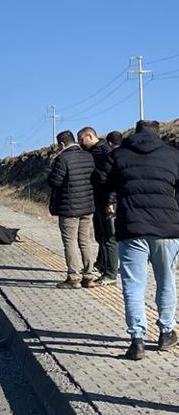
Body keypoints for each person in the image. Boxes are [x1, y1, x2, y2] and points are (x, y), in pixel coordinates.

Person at [100, 120, 179, 360]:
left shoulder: (119, 154)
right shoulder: (172, 155)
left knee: (133, 286)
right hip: (167, 229)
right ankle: (166, 332)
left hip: (132, 228)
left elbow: (101, 181)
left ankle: (137, 341)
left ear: (135, 133)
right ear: (158, 134)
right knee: (166, 281)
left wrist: (113, 199)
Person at [47, 130, 97, 289]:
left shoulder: (62, 159)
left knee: (70, 241)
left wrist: (50, 167)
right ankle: (89, 276)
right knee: (85, 241)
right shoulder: (88, 156)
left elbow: (55, 181)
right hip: (87, 206)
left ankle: (74, 277)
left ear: (62, 144)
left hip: (68, 208)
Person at [78, 127, 118, 286]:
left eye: (82, 139)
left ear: (90, 136)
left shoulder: (105, 152)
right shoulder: (94, 151)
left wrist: (110, 201)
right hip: (98, 200)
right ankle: (102, 264)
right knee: (100, 236)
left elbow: (112, 179)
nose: (80, 143)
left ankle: (111, 273)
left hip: (107, 201)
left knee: (109, 237)